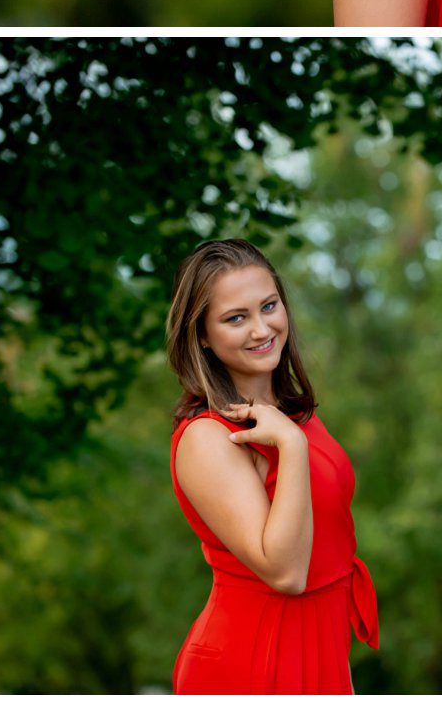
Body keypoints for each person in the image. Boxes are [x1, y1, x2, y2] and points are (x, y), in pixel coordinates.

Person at [166, 239, 378, 694]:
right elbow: (286, 574)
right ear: (202, 335)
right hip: (251, 663)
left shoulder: (295, 415)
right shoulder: (208, 437)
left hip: (322, 652)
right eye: (236, 318)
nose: (262, 329)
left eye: (268, 306)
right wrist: (291, 446)